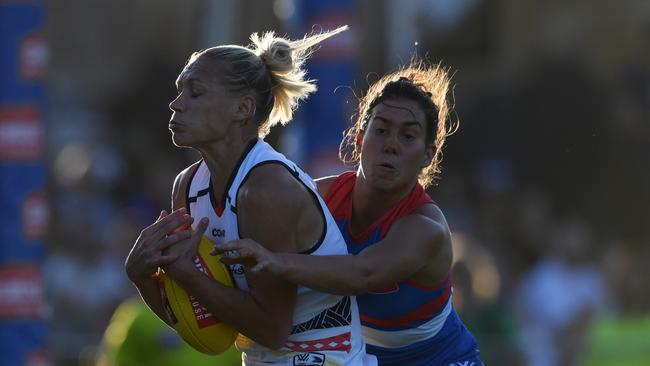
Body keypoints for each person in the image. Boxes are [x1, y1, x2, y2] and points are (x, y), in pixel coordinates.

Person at [125, 26, 376, 366]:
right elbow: (204, 332)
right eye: (179, 91)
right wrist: (142, 278)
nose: (176, 104)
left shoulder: (266, 189)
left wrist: (189, 275)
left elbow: (272, 330)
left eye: (195, 93)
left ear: (242, 108)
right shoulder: (186, 186)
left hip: (323, 358)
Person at [214, 61, 483, 365]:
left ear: (427, 156)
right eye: (381, 130)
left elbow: (362, 273)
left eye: (408, 136)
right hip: (358, 354)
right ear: (359, 139)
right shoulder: (321, 196)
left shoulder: (426, 228)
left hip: (438, 358)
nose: (391, 145)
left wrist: (274, 261)